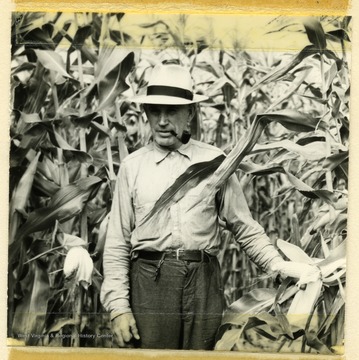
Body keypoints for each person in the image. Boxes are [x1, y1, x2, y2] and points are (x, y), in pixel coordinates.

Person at [100, 64, 321, 350]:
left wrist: (277, 264)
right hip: (151, 284)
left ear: (190, 113)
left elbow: (244, 227)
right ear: (146, 114)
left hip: (203, 284)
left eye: (172, 111)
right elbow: (117, 243)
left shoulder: (215, 162)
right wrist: (118, 307)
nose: (163, 121)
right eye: (155, 111)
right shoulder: (133, 167)